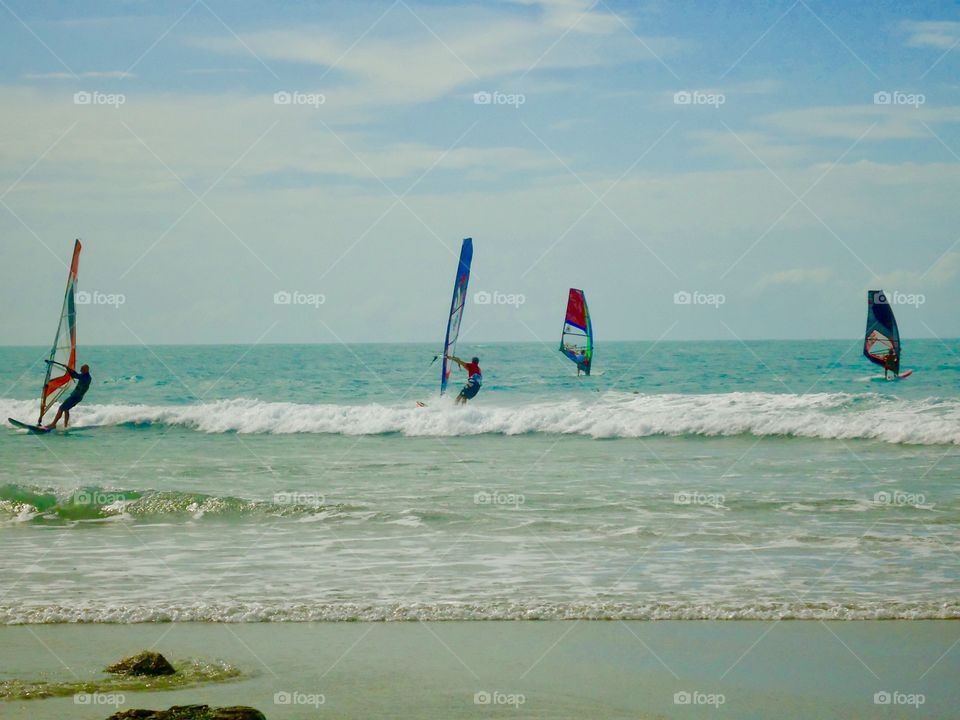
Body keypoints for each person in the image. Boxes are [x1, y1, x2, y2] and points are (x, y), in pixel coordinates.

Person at [44, 362, 92, 429]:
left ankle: (53, 424)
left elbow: (75, 375)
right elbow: (75, 374)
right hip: (78, 397)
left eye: (82, 370)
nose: (80, 371)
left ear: (86, 370)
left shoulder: (86, 377)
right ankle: (65, 426)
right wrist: (68, 369)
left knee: (61, 408)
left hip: (75, 397)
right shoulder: (85, 376)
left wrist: (68, 368)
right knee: (66, 409)